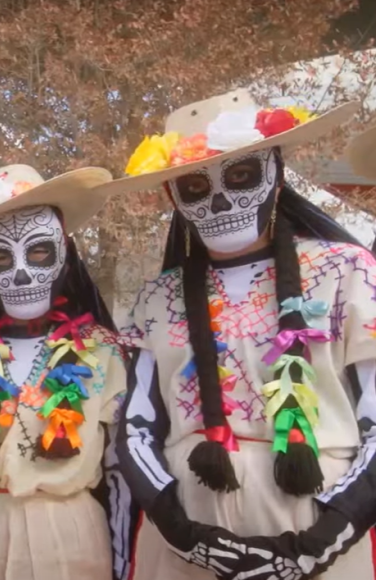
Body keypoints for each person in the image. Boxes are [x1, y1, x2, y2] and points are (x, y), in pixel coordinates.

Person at [113, 89, 376, 579]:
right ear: (174, 196)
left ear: (275, 180)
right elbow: (135, 427)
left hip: (316, 520)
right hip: (186, 536)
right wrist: (180, 531)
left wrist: (323, 538)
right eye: (195, 184)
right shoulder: (156, 298)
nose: (219, 199)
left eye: (240, 177)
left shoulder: (347, 273)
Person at [0, 165, 136, 580]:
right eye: (0, 257)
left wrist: (126, 562)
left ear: (65, 252)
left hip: (74, 533)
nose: (21, 273)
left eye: (39, 250)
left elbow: (118, 470)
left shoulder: (102, 349)